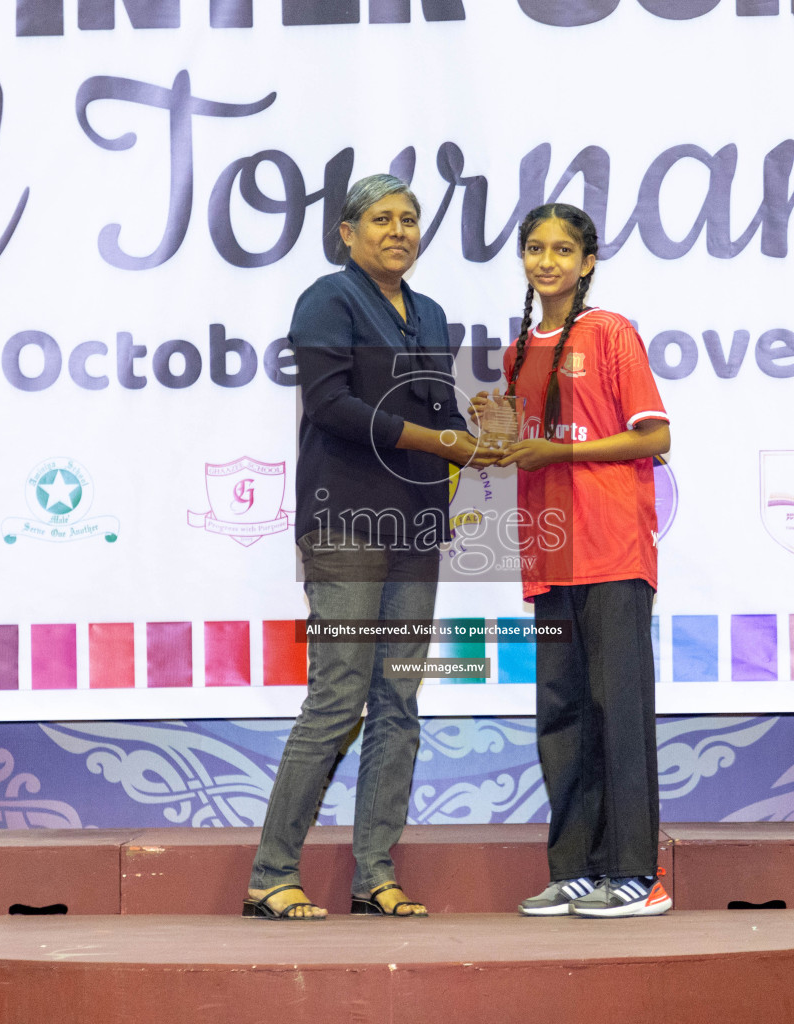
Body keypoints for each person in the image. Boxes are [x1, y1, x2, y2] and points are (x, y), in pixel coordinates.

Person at [244, 175, 490, 921]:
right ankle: (270, 876)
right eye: (382, 219)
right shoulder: (329, 299)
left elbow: (442, 409)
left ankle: (374, 875)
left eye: (410, 219)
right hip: (346, 521)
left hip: (416, 525)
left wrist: (484, 435)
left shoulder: (432, 311)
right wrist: (434, 437)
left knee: (399, 701)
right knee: (338, 696)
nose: (399, 230)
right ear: (346, 234)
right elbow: (331, 404)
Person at [474, 203, 673, 918]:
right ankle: (577, 871)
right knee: (561, 716)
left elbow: (654, 438)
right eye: (535, 248)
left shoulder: (612, 333)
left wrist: (561, 451)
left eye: (563, 249)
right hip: (549, 554)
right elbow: (526, 444)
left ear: (587, 262)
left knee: (616, 710)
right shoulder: (519, 351)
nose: (547, 261)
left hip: (613, 551)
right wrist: (494, 439)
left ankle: (637, 874)